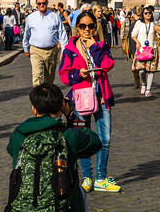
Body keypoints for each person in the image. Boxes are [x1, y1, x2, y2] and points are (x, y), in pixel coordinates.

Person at [6, 84, 101, 212]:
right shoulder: (68, 135)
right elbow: (95, 142)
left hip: (21, 207)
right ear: (61, 106)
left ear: (34, 109)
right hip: (62, 207)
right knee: (81, 192)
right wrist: (71, 116)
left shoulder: (19, 135)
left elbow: (11, 150)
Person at [59, 11, 120, 193]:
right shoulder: (70, 49)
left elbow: (108, 65)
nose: (87, 29)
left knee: (105, 139)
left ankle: (100, 178)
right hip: (81, 98)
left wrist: (94, 47)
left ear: (95, 27)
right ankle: (87, 177)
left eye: (91, 26)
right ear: (77, 28)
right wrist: (78, 74)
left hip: (102, 97)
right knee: (83, 138)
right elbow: (64, 75)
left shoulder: (101, 45)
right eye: (83, 26)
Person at [23, 0, 67, 86]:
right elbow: (26, 34)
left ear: (47, 3)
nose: (42, 5)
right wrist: (26, 48)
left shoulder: (54, 16)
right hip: (36, 50)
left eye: (43, 3)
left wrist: (64, 50)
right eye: (39, 3)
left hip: (51, 51)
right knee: (37, 76)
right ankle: (37, 95)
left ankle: (47, 93)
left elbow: (62, 34)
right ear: (36, 4)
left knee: (49, 78)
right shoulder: (31, 17)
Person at [130, 5, 160, 97]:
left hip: (152, 49)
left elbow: (158, 36)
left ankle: (148, 89)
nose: (148, 14)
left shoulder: (154, 23)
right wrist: (137, 42)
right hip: (141, 49)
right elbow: (133, 34)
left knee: (151, 71)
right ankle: (144, 84)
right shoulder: (139, 23)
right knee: (141, 71)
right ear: (143, 14)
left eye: (149, 13)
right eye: (146, 13)